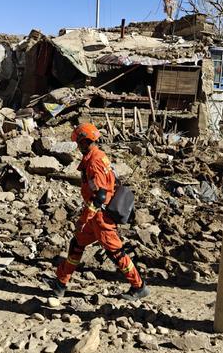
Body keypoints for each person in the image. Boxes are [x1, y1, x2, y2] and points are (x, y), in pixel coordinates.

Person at [45, 123, 150, 301]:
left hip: (100, 218)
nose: (78, 148)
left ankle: (139, 286)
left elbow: (99, 196)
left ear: (85, 141)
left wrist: (84, 219)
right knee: (76, 245)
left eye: (79, 144)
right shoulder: (100, 156)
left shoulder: (94, 163)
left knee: (116, 253)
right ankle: (60, 284)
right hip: (96, 218)